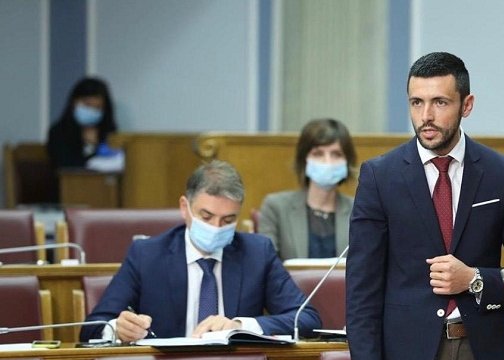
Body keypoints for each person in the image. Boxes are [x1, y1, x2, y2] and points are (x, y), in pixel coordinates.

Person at [345, 52, 504, 360]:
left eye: (440, 102)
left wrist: (475, 279)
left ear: (466, 105)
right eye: (416, 102)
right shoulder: (380, 176)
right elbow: (361, 289)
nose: (426, 115)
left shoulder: (502, 173)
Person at [80, 160, 321, 343]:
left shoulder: (257, 253)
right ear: (185, 208)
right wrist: (117, 329)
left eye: (228, 219)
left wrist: (240, 326)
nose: (216, 227)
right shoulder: (147, 255)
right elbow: (91, 328)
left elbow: (307, 318)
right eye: (206, 216)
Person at [258, 118, 357, 260]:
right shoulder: (276, 207)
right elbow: (266, 263)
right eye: (318, 154)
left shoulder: (360, 211)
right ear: (304, 160)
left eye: (336, 154)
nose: (327, 162)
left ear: (347, 162)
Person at [47, 76, 117, 169]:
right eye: (87, 105)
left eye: (97, 107)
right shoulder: (58, 132)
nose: (91, 111)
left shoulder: (108, 131)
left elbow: (113, 162)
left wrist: (96, 145)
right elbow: (66, 165)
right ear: (74, 102)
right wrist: (91, 147)